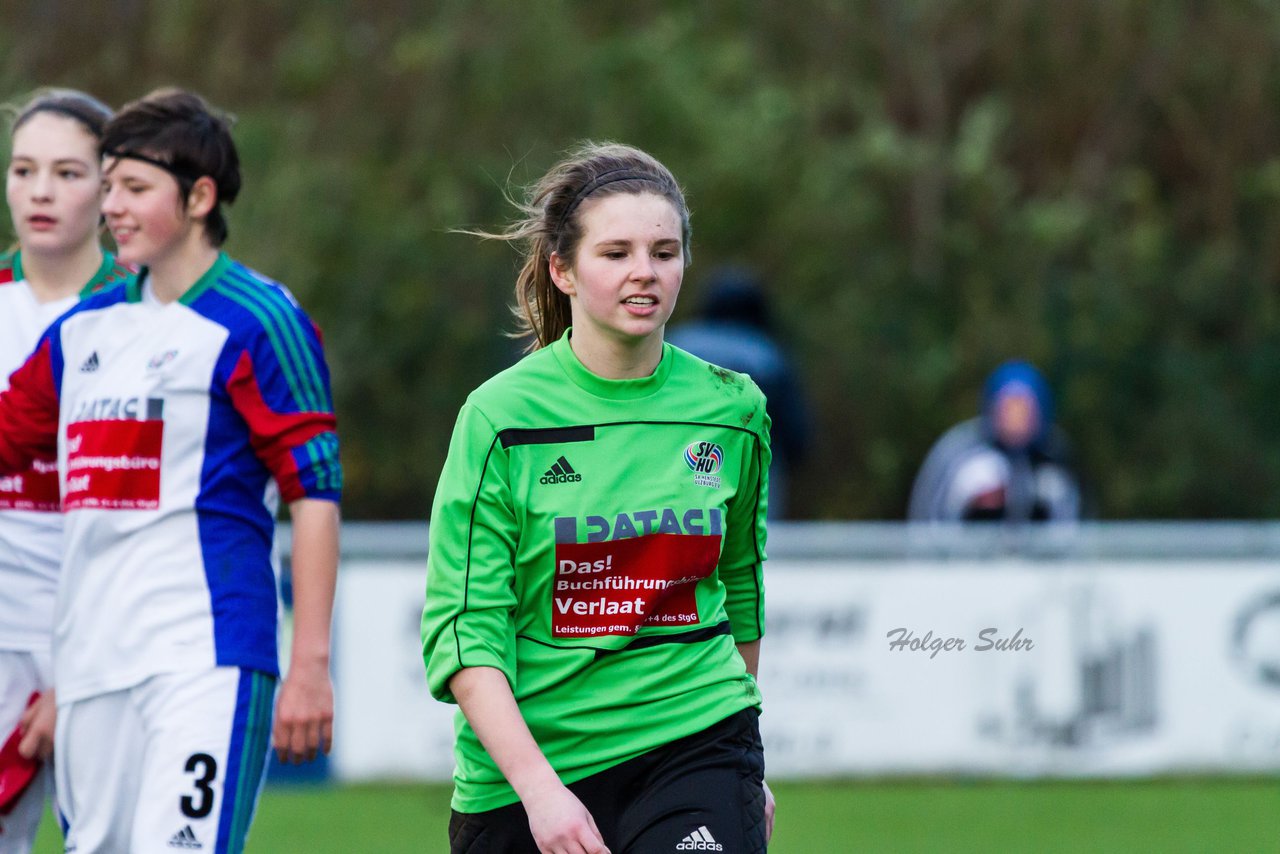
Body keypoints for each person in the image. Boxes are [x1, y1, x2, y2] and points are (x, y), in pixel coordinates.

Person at [0, 87, 341, 852]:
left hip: (204, 655)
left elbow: (314, 494)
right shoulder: (85, 327)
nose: (111, 206)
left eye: (133, 188)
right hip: (89, 667)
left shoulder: (260, 320)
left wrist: (310, 666)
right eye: (109, 185)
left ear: (199, 197)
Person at [421, 142, 774, 854]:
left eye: (664, 251)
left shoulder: (734, 411)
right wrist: (542, 792)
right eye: (615, 253)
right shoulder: (498, 418)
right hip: (526, 776)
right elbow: (464, 631)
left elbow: (741, 590)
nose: (644, 271)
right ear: (563, 269)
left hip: (695, 741)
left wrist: (742, 760)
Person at [0, 88, 127, 854]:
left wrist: (76, 666)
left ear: (110, 188)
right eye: (23, 170)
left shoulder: (142, 314)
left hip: (111, 639)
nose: (41, 190)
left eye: (67, 172)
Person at [667, 265, 812, 519]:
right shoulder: (765, 353)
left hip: (676, 466)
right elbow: (795, 430)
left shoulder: (677, 343)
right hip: (750, 471)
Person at [908, 359, 1081, 524]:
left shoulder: (1056, 456)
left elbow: (1075, 522)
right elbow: (928, 516)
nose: (1015, 419)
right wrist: (972, 503)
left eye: (1023, 410)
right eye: (1009, 409)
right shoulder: (960, 452)